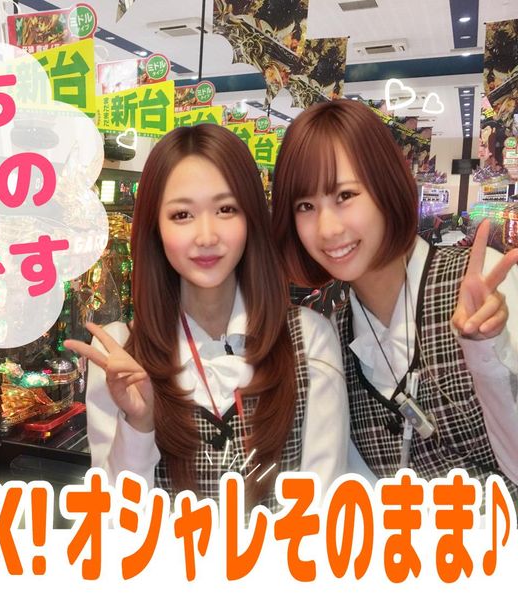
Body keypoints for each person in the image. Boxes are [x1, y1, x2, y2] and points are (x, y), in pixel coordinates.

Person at [64, 123, 348, 509]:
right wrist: (139, 425)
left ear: (251, 218)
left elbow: (324, 508)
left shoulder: (308, 338)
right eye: (182, 214)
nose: (206, 236)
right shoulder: (118, 351)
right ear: (155, 227)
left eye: (226, 209)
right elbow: (116, 518)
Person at [271, 99, 518, 496]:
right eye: (305, 206)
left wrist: (487, 351)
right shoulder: (330, 339)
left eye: (345, 195)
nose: (327, 228)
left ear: (386, 186)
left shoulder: (482, 284)